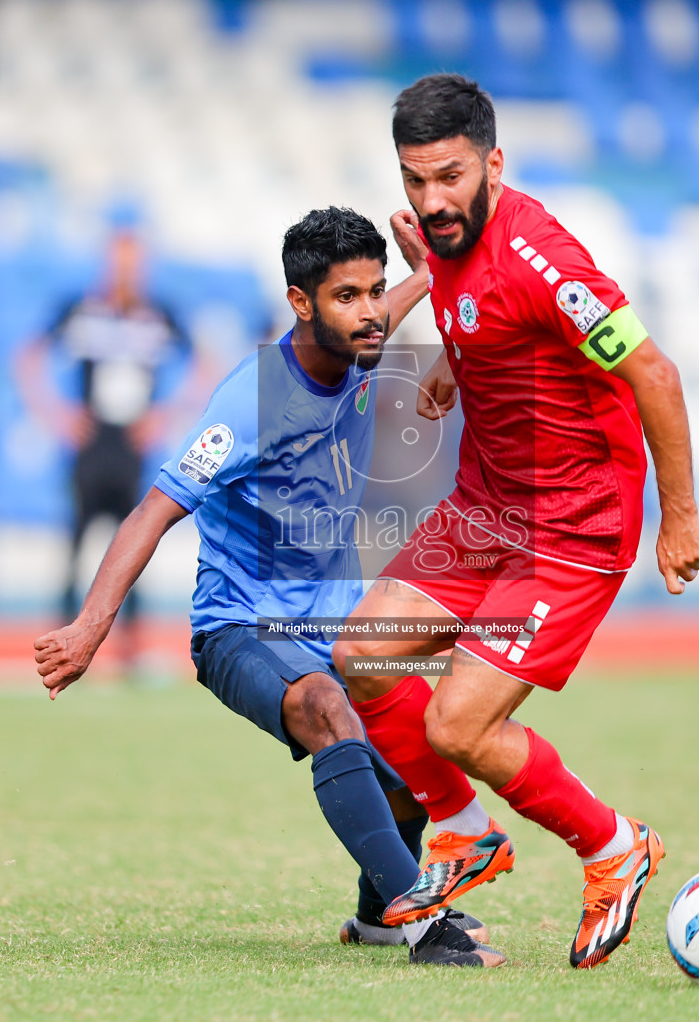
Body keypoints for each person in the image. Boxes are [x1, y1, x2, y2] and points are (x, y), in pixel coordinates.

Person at [31, 207, 503, 967]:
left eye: (374, 291)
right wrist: (90, 629)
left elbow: (407, 300)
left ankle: (379, 914)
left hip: (336, 625)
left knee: (424, 751)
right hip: (241, 629)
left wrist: (433, 274)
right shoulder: (252, 399)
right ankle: (426, 927)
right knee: (326, 710)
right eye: (346, 295)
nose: (370, 311)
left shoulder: (361, 343)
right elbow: (151, 513)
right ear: (300, 302)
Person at [331, 74, 699, 970]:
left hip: (572, 526)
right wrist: (460, 365)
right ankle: (465, 830)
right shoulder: (444, 236)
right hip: (486, 503)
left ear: (494, 163)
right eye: (416, 180)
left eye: (452, 177)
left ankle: (613, 847)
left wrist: (681, 518)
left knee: (456, 726)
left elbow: (654, 375)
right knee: (360, 656)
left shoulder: (547, 261)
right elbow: (485, 310)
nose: (432, 200)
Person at [14, 215, 194, 673]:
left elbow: (204, 363)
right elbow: (28, 357)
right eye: (120, 259)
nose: (127, 269)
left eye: (134, 260)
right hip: (91, 444)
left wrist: (165, 415)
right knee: (76, 544)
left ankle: (129, 651)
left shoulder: (158, 313)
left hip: (131, 448)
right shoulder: (82, 310)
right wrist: (54, 412)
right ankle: (57, 645)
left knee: (132, 544)